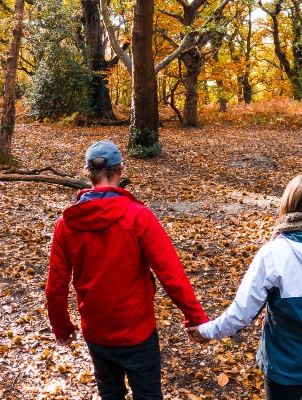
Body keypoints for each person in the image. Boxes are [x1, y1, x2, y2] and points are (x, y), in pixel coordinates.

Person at [45, 139, 209, 400]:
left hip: (96, 331)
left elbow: (55, 286)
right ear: (120, 170)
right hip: (137, 332)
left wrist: (61, 328)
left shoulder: (66, 225)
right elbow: (171, 273)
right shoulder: (138, 216)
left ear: (89, 174)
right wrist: (196, 318)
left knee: (110, 394)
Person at [188, 173, 302, 400]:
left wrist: (205, 331)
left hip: (284, 366)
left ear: (288, 205)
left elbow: (241, 314)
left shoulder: (274, 254)